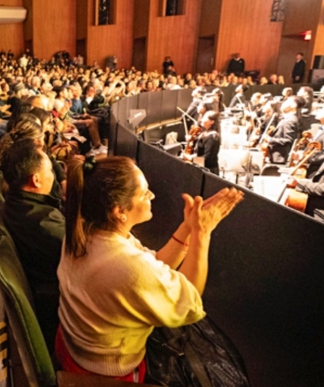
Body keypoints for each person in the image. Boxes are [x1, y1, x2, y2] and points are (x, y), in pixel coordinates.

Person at [57, 156, 243, 381]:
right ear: (119, 211)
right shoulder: (125, 264)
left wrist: (188, 228)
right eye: (144, 193)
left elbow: (156, 264)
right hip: (104, 374)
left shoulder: (84, 232)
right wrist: (202, 234)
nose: (152, 196)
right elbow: (188, 302)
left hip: (72, 349)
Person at [0, 138, 63, 341]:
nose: (53, 176)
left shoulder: (14, 201)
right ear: (36, 180)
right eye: (51, 171)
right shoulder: (44, 223)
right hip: (58, 303)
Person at [267, 96, 300, 164]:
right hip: (276, 156)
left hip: (279, 158)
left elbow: (288, 140)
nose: (283, 103)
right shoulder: (288, 119)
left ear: (294, 105)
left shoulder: (290, 121)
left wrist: (270, 139)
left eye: (287, 101)